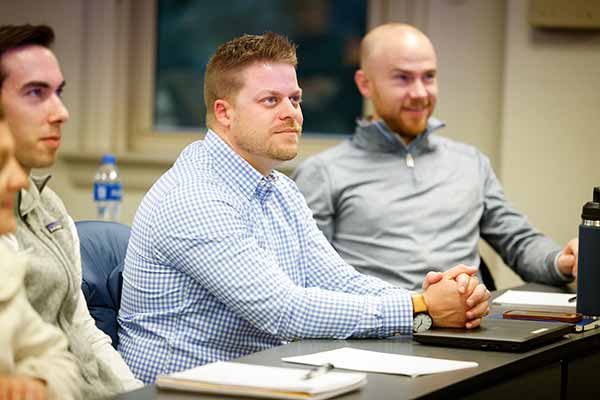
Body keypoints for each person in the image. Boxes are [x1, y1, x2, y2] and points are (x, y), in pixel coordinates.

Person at [118, 32, 491, 384]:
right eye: (270, 100)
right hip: (184, 387)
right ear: (224, 112)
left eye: (295, 99)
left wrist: (434, 303)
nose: (292, 114)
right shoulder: (195, 197)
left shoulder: (280, 189)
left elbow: (340, 281)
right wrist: (422, 307)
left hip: (262, 376)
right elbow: (284, 311)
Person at [293, 23, 579, 291]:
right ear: (365, 84)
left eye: (428, 77)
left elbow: (519, 242)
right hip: (382, 334)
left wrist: (561, 260)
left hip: (471, 332)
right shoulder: (323, 173)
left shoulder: (470, 163)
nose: (419, 93)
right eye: (402, 78)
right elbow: (311, 279)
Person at [0, 24, 141, 398]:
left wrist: (136, 395)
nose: (61, 112)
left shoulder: (49, 206)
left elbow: (82, 332)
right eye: (35, 93)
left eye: (58, 93)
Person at [0, 104, 80, 400]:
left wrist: (38, 384)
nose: (19, 181)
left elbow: (57, 357)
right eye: (0, 165)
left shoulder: (4, 265)